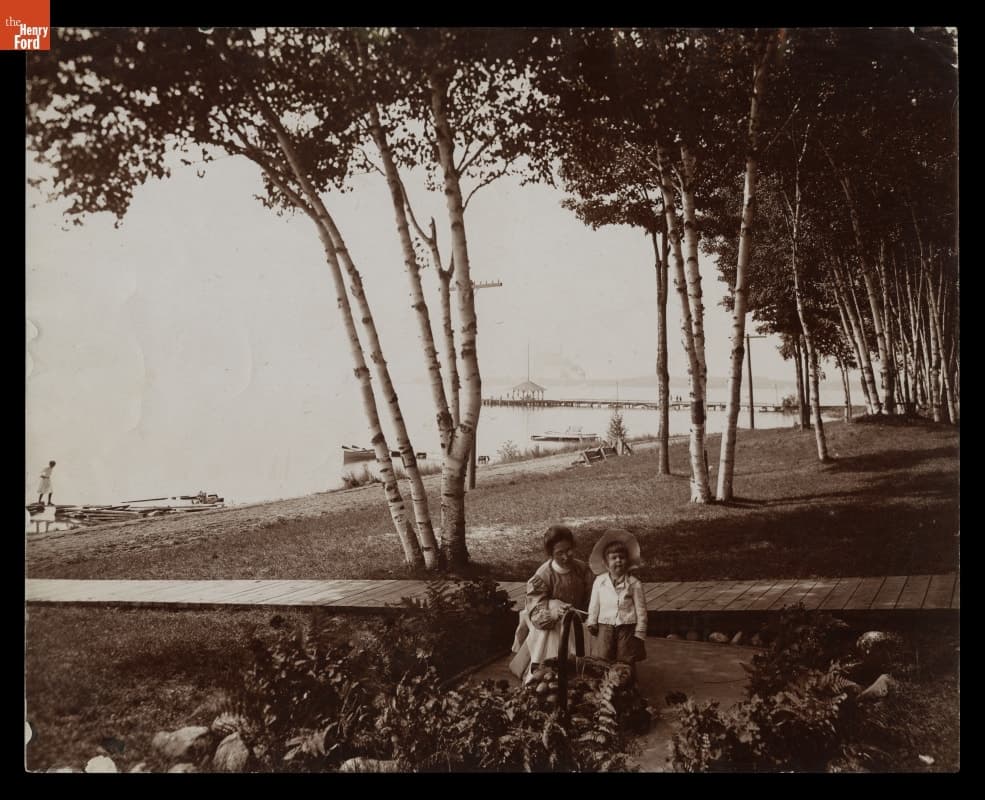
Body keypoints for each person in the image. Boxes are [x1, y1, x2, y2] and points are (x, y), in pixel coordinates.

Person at [511, 525, 594, 681]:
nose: (566, 557)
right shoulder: (543, 576)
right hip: (552, 625)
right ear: (550, 554)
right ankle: (554, 670)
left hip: (579, 622)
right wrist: (554, 611)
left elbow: (591, 597)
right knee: (554, 624)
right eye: (559, 553)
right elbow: (536, 611)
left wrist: (589, 615)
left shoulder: (582, 569)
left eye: (569, 550)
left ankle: (580, 666)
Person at [587, 529, 648, 680]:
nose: (618, 561)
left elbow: (641, 609)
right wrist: (592, 621)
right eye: (614, 558)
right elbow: (594, 604)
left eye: (622, 557)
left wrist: (640, 629)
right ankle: (602, 684)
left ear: (628, 561)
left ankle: (627, 686)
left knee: (625, 657)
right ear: (606, 564)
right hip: (604, 624)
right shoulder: (600, 582)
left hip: (626, 625)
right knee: (603, 656)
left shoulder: (634, 584)